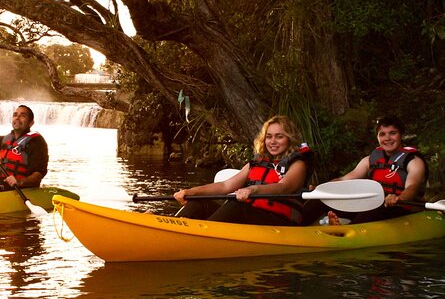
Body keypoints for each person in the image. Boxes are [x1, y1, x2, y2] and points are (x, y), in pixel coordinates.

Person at [173, 115, 314, 226]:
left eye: (279, 136)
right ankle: (173, 228)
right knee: (198, 203)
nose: (273, 141)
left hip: (280, 221)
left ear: (289, 139)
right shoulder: (257, 163)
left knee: (236, 205)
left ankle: (200, 235)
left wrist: (252, 190)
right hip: (252, 216)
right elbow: (225, 186)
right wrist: (191, 192)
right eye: (269, 136)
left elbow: (284, 187)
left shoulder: (298, 163)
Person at [303, 115, 428, 225]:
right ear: (377, 138)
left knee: (374, 208)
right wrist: (320, 188)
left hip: (398, 206)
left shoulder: (414, 161)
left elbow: (412, 187)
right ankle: (295, 227)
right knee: (319, 200)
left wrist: (398, 198)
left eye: (392, 133)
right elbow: (344, 179)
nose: (387, 138)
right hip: (372, 203)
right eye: (382, 134)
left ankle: (346, 231)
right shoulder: (370, 160)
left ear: (401, 135)